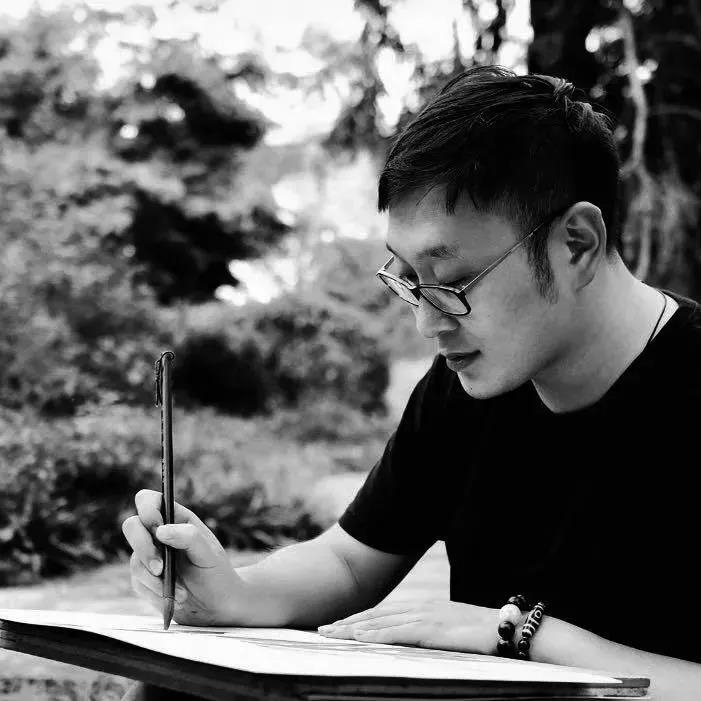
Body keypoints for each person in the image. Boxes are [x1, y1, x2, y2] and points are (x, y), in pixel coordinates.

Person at [121, 66, 701, 700]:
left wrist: (522, 637)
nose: (427, 322)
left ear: (577, 244)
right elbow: (350, 559)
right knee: (172, 689)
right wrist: (232, 592)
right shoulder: (468, 382)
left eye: (450, 283)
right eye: (408, 281)